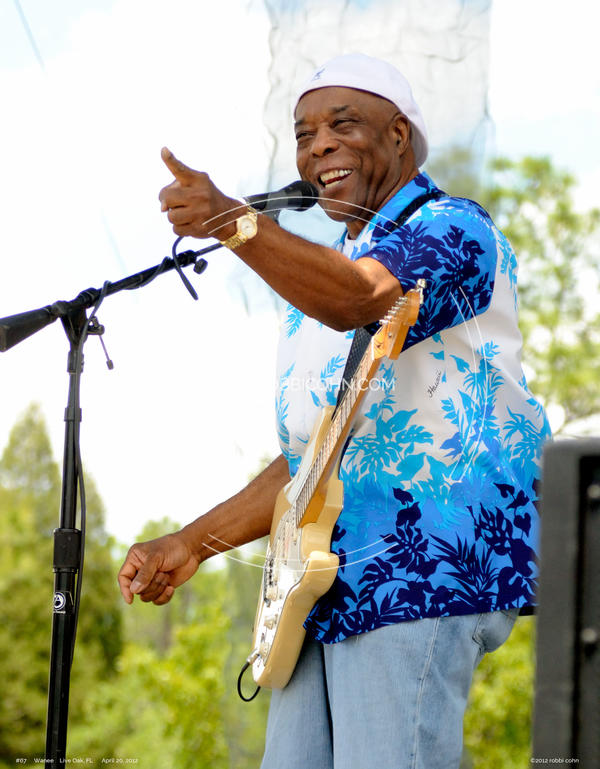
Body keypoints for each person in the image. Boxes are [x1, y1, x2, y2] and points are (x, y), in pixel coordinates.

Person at [118, 53, 551, 768]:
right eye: (304, 133)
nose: (318, 146)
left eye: (342, 125)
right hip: (317, 584)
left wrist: (234, 222)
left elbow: (363, 296)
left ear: (399, 136)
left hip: (417, 570)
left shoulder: (453, 228)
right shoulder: (321, 274)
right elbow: (316, 458)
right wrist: (193, 543)